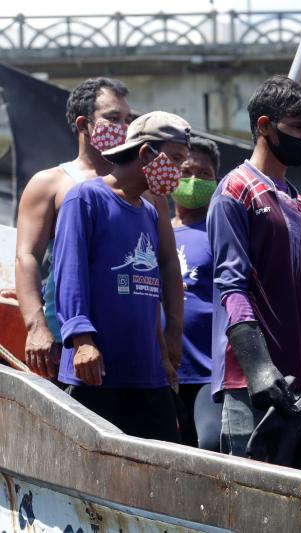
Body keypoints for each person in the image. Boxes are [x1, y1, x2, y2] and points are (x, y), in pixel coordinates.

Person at [15, 77, 184, 380]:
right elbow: (27, 257)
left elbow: (168, 263)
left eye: (128, 119)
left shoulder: (148, 187)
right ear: (84, 124)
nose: (124, 127)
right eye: (113, 118)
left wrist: (172, 331)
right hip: (67, 341)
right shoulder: (52, 184)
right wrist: (36, 326)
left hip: (136, 345)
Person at [207, 75, 301, 459]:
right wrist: (258, 367)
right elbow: (232, 286)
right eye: (297, 127)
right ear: (264, 126)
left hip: (295, 385)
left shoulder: (298, 202)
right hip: (249, 383)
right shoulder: (235, 191)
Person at [53, 111, 192, 443]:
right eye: (173, 159)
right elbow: (68, 270)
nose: (178, 172)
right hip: (96, 374)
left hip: (147, 374)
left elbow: (151, 290)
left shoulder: (147, 211)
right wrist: (82, 339)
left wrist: (165, 350)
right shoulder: (86, 198)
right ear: (145, 153)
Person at [171, 135, 223, 449]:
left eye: (204, 175)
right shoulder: (154, 225)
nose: (193, 181)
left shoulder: (222, 231)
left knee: (211, 444)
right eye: (186, 171)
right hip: (161, 372)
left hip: (208, 371)